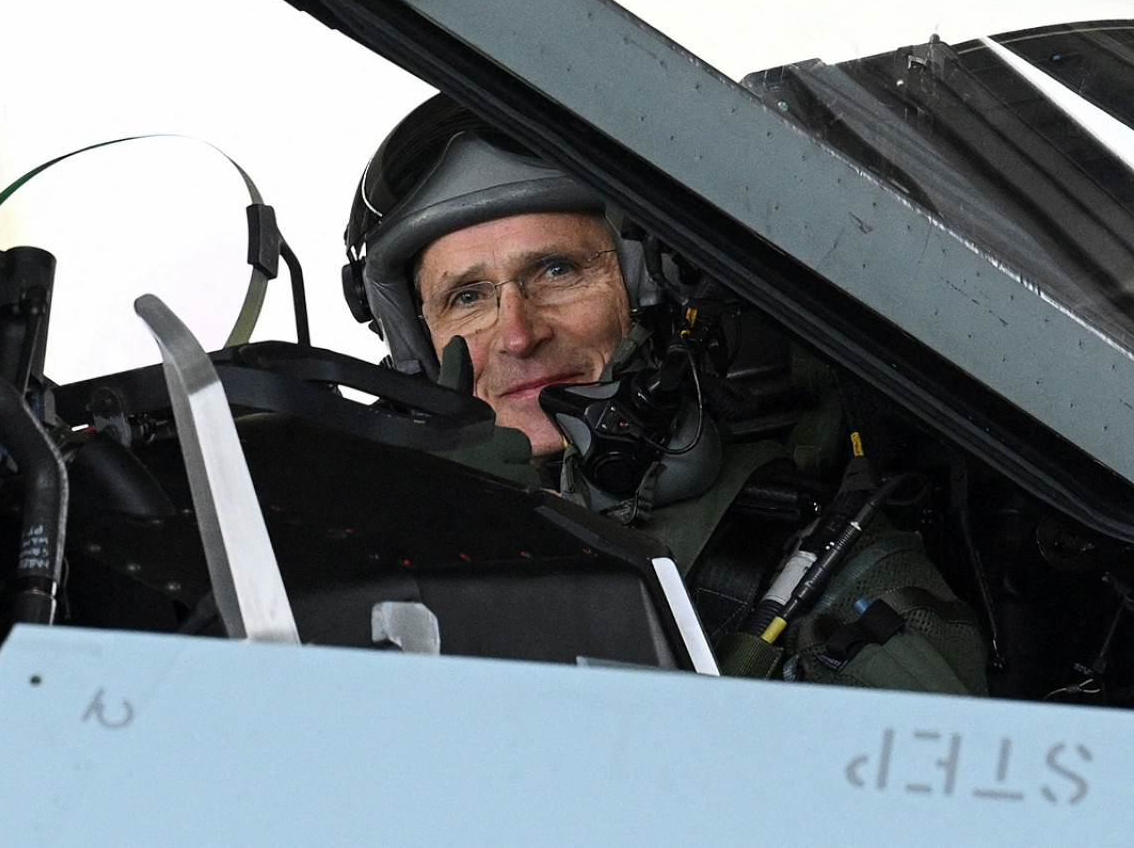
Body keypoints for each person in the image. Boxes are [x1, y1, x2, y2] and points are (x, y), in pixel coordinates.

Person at [342, 93, 989, 694]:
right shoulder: (350, 553)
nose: (516, 334)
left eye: (559, 269)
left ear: (649, 293)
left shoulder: (836, 578)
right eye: (468, 297)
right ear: (417, 345)